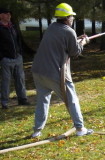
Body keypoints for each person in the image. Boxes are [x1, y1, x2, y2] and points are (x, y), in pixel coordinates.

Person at [31, 3, 93, 138]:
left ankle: (36, 131)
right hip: (56, 73)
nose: (72, 19)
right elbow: (74, 52)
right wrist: (83, 42)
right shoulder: (69, 31)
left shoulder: (52, 27)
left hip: (38, 71)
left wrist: (77, 40)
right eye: (71, 17)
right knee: (72, 99)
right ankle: (80, 129)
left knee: (42, 100)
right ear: (66, 18)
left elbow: (62, 43)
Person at [0, 7, 30, 109]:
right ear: (1, 15)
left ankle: (22, 99)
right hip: (6, 59)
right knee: (6, 81)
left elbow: (18, 41)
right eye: (6, 13)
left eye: (9, 14)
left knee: (20, 79)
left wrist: (20, 53)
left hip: (17, 58)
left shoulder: (13, 26)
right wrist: (2, 57)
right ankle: (4, 102)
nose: (9, 15)